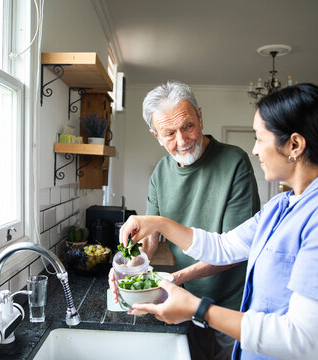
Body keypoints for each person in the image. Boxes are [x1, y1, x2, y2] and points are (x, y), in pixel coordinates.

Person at [118, 83, 318, 360]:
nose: (255, 150)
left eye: (259, 137)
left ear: (294, 144)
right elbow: (223, 247)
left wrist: (198, 309)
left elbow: (304, 341)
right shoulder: (281, 206)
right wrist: (158, 223)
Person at [110, 80, 260, 360]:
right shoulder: (160, 174)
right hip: (187, 300)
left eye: (188, 126)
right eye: (169, 133)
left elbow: (237, 250)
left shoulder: (235, 163)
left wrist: (174, 278)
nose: (181, 141)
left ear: (200, 117)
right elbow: (149, 241)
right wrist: (126, 269)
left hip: (233, 303)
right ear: (155, 135)